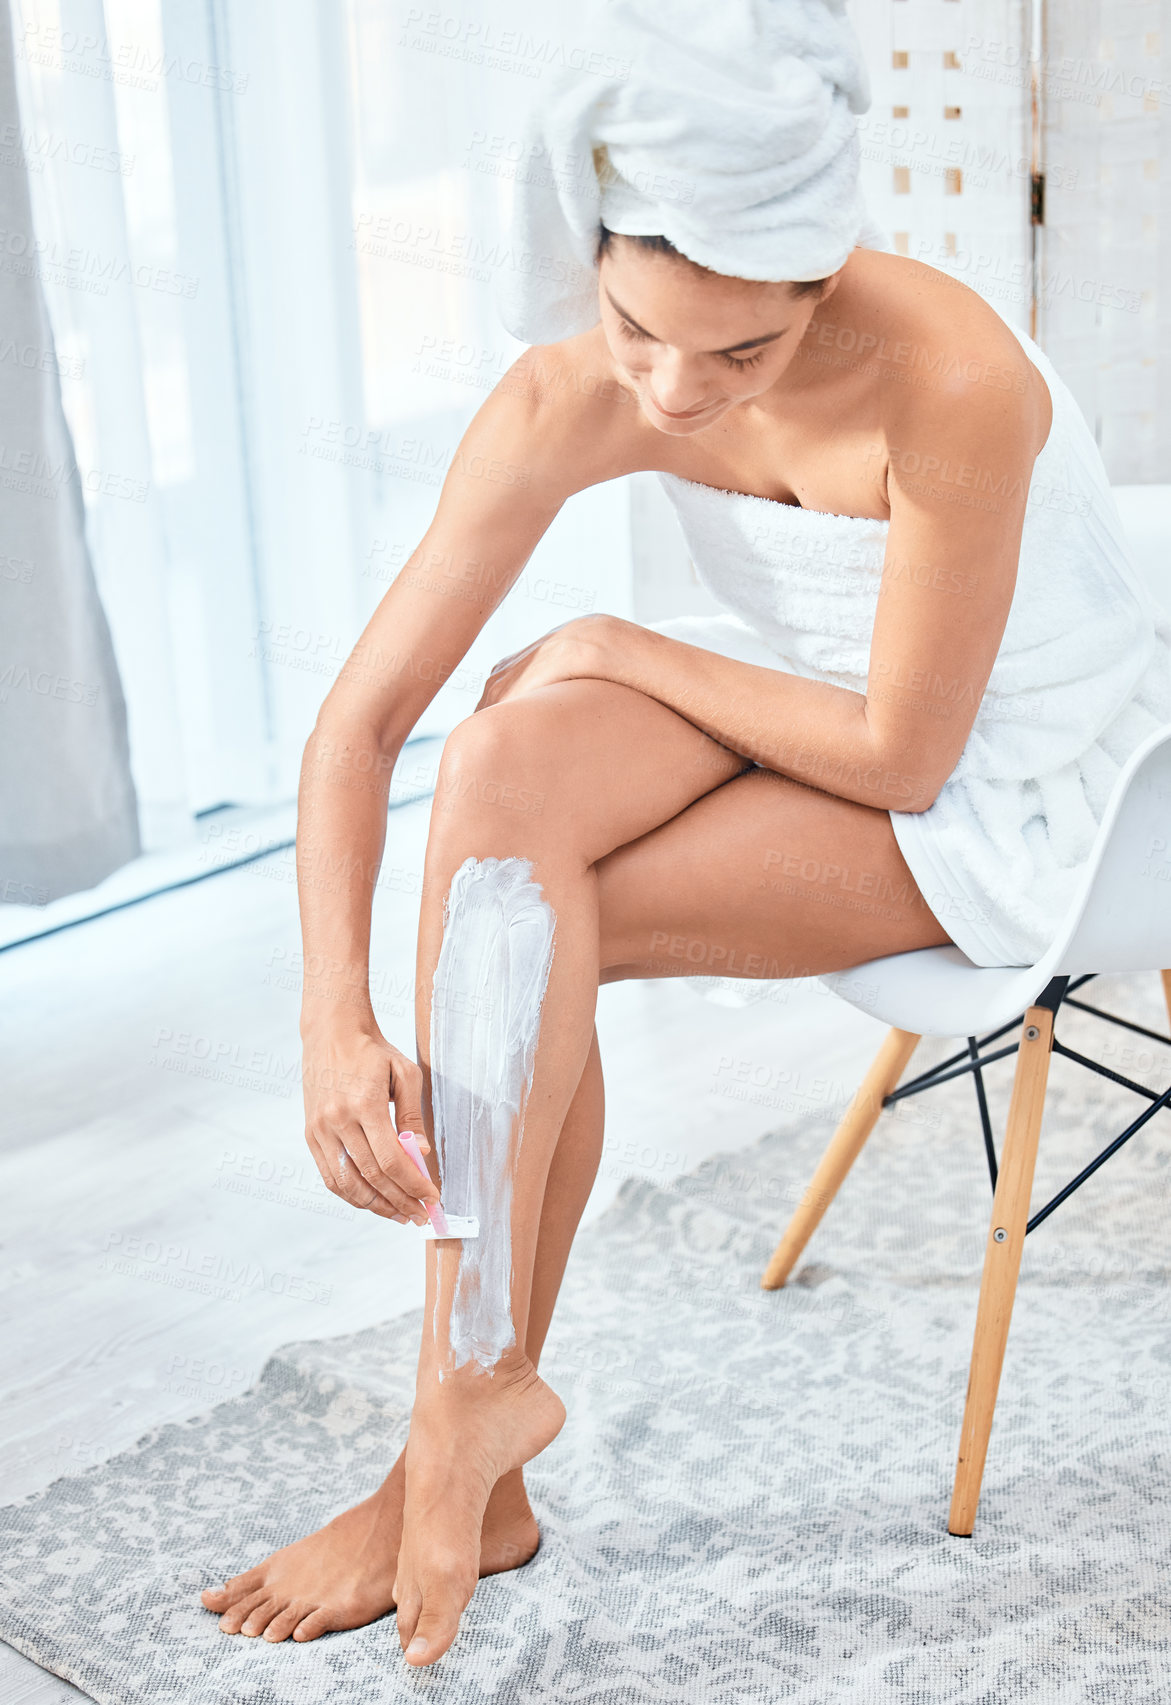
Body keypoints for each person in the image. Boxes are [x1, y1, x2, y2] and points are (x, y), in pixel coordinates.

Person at [201, 0, 1171, 1669]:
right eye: (642, 328)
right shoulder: (572, 389)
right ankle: (477, 1414)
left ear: (822, 280)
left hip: (1017, 788)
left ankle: (456, 1432)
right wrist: (330, 1022)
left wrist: (611, 642)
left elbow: (907, 752)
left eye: (746, 354)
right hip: (800, 712)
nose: (678, 389)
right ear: (594, 247)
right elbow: (355, 726)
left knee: (532, 901)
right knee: (500, 779)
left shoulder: (950, 379)